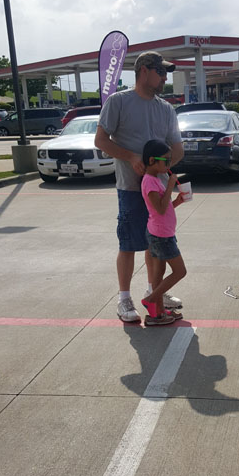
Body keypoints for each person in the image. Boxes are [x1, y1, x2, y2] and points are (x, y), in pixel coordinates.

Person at [95, 51, 184, 323]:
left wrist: (160, 169)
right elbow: (101, 140)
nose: (165, 78)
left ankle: (153, 292)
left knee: (155, 245)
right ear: (144, 70)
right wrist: (132, 157)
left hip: (158, 190)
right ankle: (124, 299)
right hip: (131, 189)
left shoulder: (166, 109)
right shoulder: (118, 102)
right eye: (161, 72)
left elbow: (177, 148)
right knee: (128, 244)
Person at [140, 140, 187, 326]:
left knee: (159, 273)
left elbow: (164, 207)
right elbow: (159, 209)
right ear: (152, 160)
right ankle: (151, 300)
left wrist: (177, 202)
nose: (169, 164)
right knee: (180, 271)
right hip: (161, 236)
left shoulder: (155, 180)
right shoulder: (150, 182)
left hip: (161, 232)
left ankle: (157, 314)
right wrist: (170, 186)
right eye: (166, 161)